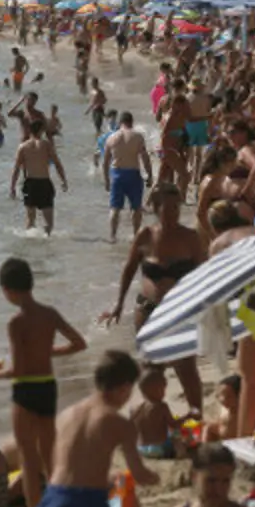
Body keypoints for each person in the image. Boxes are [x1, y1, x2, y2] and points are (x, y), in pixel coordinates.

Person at [0, 257, 88, 507]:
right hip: (48, 386)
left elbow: (18, 370)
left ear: (8, 290)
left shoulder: (16, 322)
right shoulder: (49, 313)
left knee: (28, 460)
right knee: (50, 457)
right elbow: (79, 343)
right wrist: (46, 352)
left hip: (25, 391)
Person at [34, 350, 160, 507]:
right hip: (88, 502)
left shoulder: (66, 414)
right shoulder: (119, 423)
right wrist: (154, 477)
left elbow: (62, 462)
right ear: (124, 388)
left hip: (55, 495)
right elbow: (139, 474)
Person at [103, 184, 207, 419]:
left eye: (176, 207)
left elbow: (204, 276)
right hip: (147, 310)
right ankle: (156, 421)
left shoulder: (191, 238)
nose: (173, 211)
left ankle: (196, 417)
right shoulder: (146, 235)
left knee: (186, 369)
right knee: (151, 371)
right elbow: (129, 269)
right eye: (167, 207)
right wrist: (119, 303)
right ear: (156, 208)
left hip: (180, 312)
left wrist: (205, 310)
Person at [10, 119, 68, 235]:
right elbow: (57, 164)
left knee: (30, 220)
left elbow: (16, 169)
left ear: (30, 130)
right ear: (41, 131)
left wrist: (12, 187)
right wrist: (63, 180)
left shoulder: (23, 147)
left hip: (30, 183)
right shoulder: (46, 145)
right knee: (49, 222)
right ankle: (47, 245)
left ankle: (30, 247)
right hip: (44, 183)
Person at [102, 111, 153, 242]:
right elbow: (145, 158)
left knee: (115, 208)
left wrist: (106, 180)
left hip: (117, 174)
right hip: (133, 174)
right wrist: (150, 174)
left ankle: (113, 236)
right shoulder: (138, 136)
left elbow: (105, 162)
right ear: (132, 122)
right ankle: (136, 235)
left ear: (120, 123)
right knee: (136, 208)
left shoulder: (111, 138)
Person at [132, 365, 182, 459]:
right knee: (175, 433)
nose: (165, 393)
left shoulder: (135, 408)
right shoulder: (162, 406)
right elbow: (173, 424)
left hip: (141, 449)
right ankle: (180, 452)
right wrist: (188, 416)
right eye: (163, 389)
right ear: (158, 390)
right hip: (159, 449)